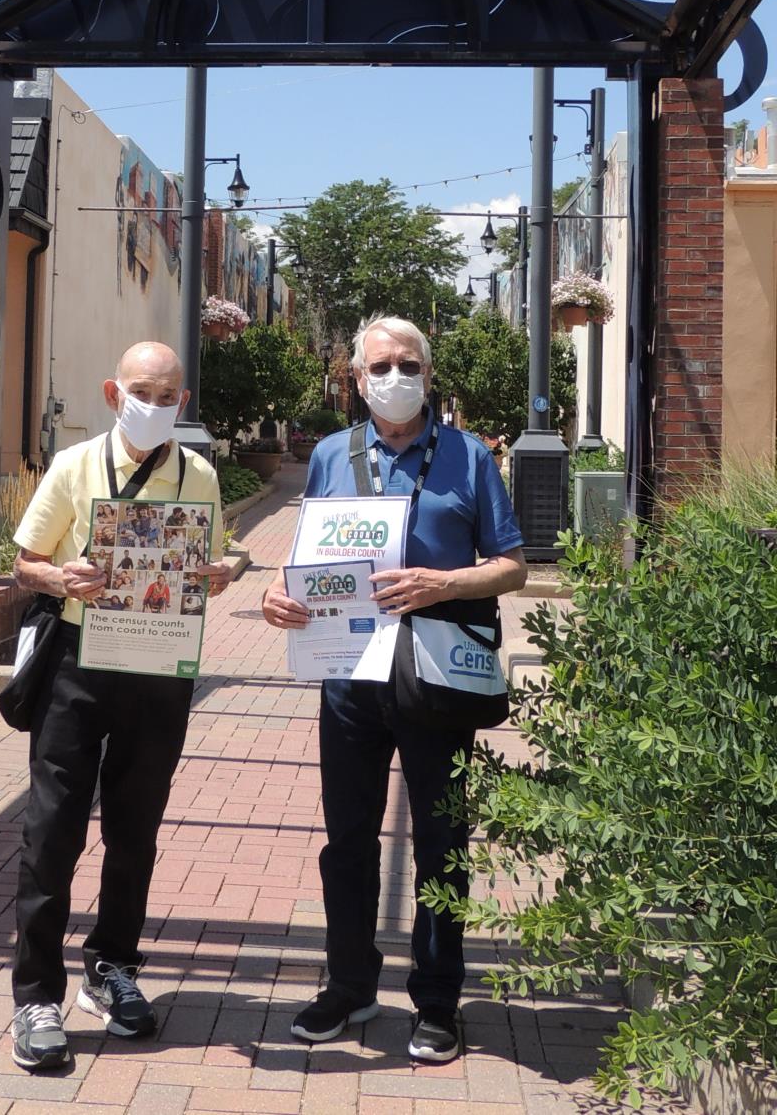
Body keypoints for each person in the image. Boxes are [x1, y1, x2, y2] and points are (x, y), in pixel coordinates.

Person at [262, 314, 526, 1064]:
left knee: (442, 842)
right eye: (380, 367)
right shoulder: (328, 457)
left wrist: (443, 582)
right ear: (355, 379)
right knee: (347, 840)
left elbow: (512, 566)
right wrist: (281, 600)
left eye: (409, 365)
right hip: (349, 678)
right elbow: (305, 566)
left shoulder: (471, 458)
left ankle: (438, 1001)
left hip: (437, 677)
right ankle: (348, 986)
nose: (395, 378)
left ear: (429, 376)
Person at [9, 340, 232, 1071]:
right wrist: (59, 577)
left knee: (136, 829)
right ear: (113, 394)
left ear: (183, 403)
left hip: (159, 666)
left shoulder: (196, 474)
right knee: (52, 831)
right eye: (142, 391)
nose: (154, 405)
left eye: (168, 395)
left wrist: (224, 570)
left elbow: (215, 558)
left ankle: (112, 968)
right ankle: (37, 994)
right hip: (78, 665)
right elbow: (23, 564)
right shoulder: (75, 466)